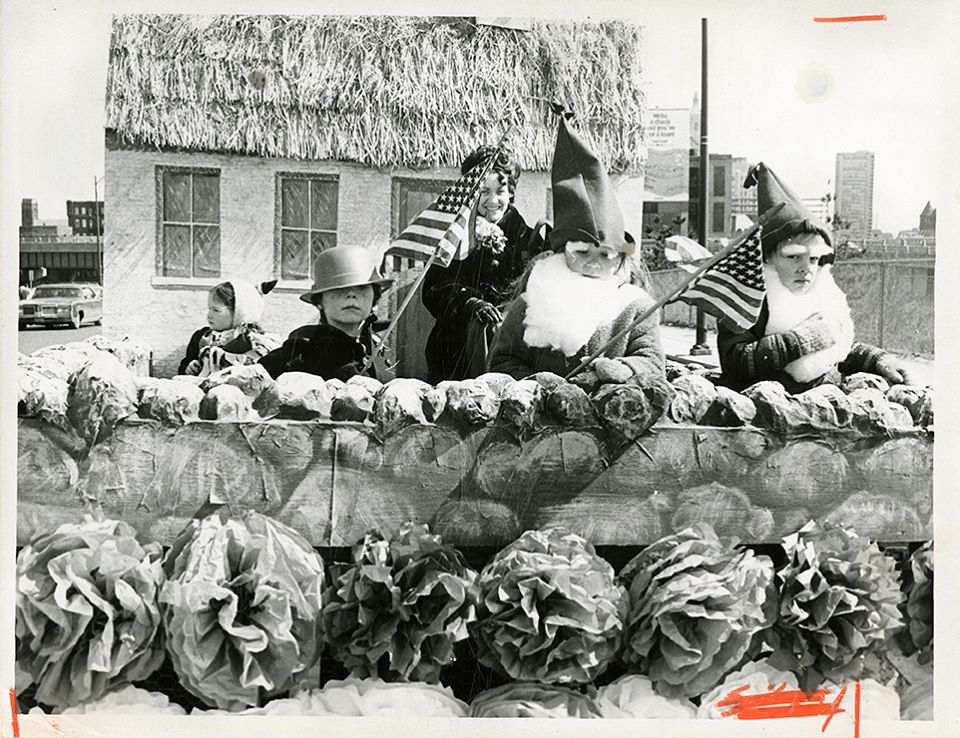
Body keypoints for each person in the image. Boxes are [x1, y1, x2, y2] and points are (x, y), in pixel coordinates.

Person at [488, 116, 665, 386]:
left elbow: (652, 362)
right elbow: (501, 361)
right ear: (561, 252)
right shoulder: (532, 302)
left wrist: (622, 369)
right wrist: (541, 385)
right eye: (582, 253)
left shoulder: (635, 308)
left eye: (605, 255)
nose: (593, 264)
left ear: (620, 257)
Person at [717, 162, 915, 393]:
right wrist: (798, 341)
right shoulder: (747, 300)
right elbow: (735, 362)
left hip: (823, 402)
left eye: (813, 259)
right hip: (765, 405)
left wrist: (879, 360)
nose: (806, 269)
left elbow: (837, 351)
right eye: (794, 257)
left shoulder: (819, 295)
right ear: (768, 258)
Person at [422, 145, 546, 383]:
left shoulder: (528, 241)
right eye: (483, 191)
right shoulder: (453, 237)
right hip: (454, 354)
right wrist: (469, 302)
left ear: (511, 193)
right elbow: (432, 291)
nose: (492, 201)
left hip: (509, 356)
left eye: (500, 191)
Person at [259, 246, 393, 381]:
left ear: (374, 299)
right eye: (339, 288)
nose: (351, 294)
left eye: (362, 287)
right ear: (319, 302)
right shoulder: (300, 351)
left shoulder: (381, 352)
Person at [179, 279, 281, 376]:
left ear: (239, 313)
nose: (209, 315)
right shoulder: (202, 337)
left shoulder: (252, 340)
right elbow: (185, 364)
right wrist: (188, 368)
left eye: (216, 310)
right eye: (209, 309)